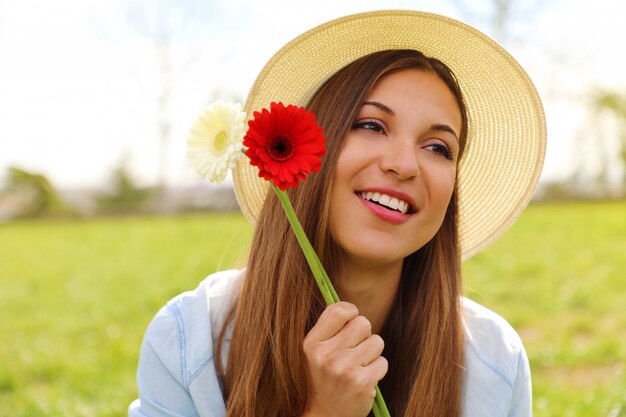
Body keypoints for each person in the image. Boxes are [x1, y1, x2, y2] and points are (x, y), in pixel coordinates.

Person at [129, 10, 546, 417]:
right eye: (371, 125)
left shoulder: (495, 363)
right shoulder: (186, 343)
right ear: (304, 148)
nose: (404, 164)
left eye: (438, 148)